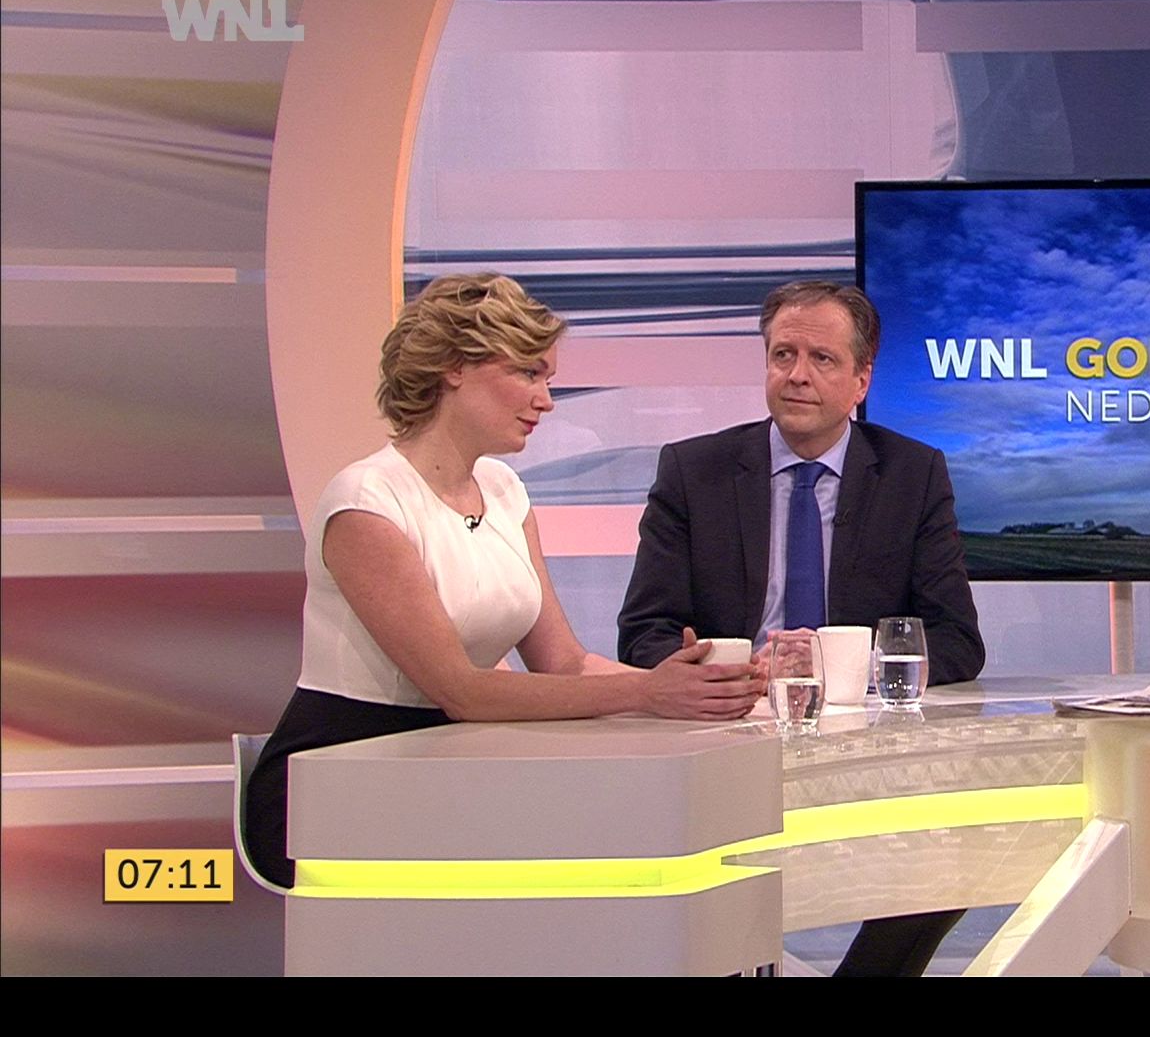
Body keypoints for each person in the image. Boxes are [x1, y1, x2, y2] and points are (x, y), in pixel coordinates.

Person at [244, 274, 762, 888]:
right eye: (528, 373)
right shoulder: (367, 501)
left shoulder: (504, 490)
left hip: (461, 770)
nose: (547, 400)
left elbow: (564, 664)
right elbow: (462, 692)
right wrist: (648, 693)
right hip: (334, 785)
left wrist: (698, 689)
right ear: (453, 367)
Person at [618, 279, 985, 975]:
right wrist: (729, 672)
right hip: (729, 740)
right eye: (782, 354)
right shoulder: (694, 471)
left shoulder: (911, 474)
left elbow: (957, 641)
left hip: (864, 747)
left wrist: (836, 668)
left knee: (954, 852)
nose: (796, 375)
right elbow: (643, 634)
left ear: (861, 381)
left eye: (821, 358)